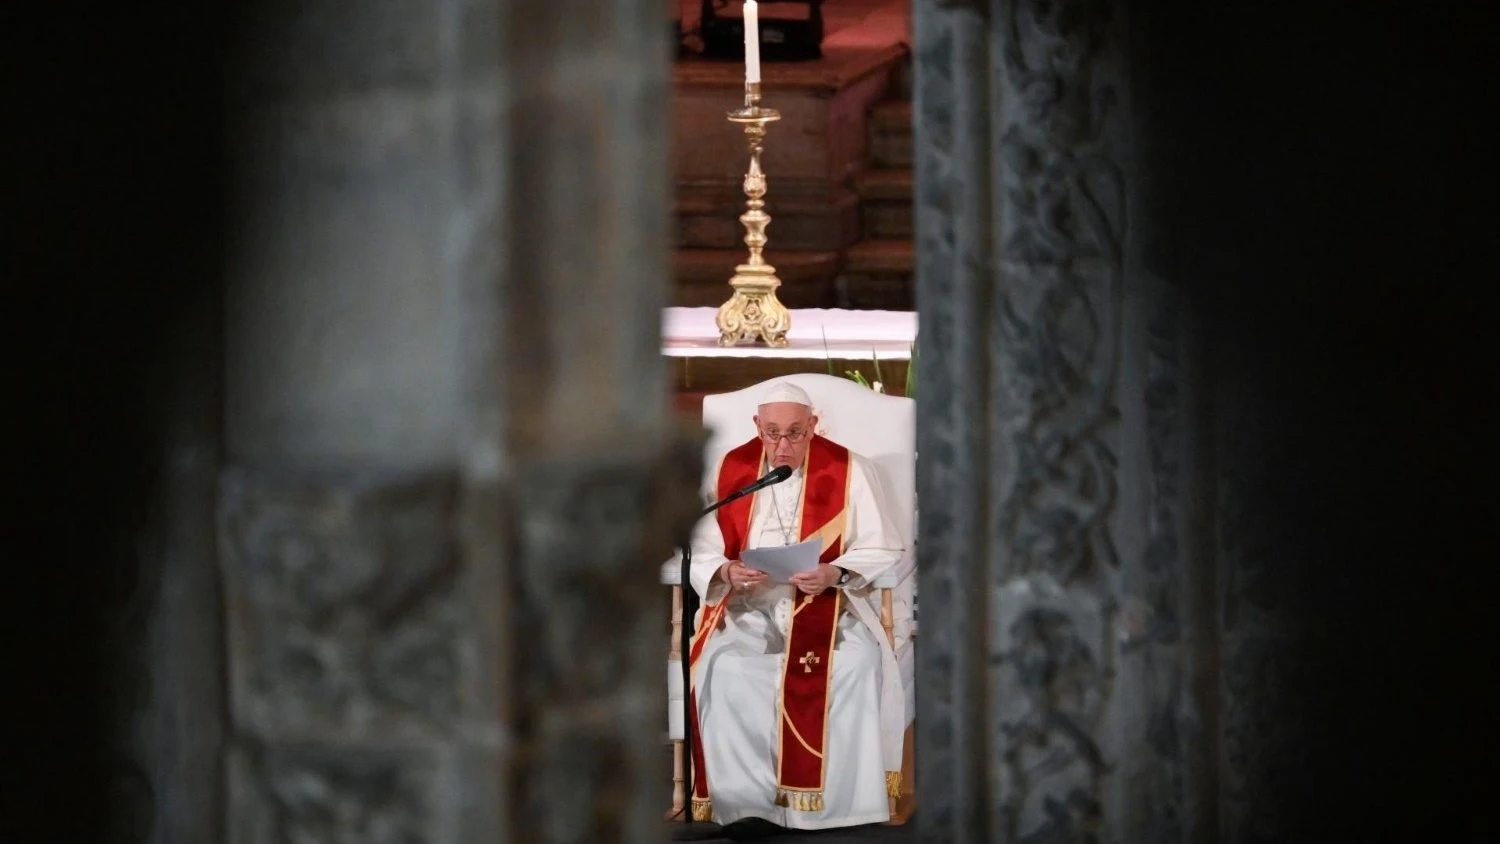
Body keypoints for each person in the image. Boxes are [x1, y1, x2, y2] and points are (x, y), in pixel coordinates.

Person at [686, 381, 906, 835]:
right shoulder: (731, 470)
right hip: (751, 603)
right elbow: (703, 544)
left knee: (858, 662)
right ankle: (749, 808)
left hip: (828, 603)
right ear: (756, 428)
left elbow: (883, 546)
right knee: (725, 667)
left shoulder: (851, 470)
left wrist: (836, 573)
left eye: (794, 433)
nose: (783, 446)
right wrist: (726, 571)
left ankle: (840, 810)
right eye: (772, 433)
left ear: (813, 426)